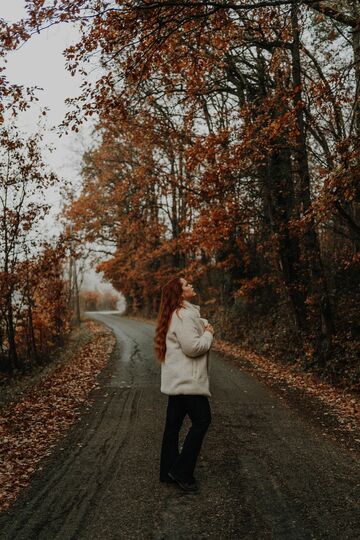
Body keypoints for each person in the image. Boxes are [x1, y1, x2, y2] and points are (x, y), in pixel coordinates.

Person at [154, 276, 214, 492]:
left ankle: (167, 471)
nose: (191, 285)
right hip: (188, 380)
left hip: (177, 380)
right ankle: (181, 471)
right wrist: (208, 335)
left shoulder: (176, 314)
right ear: (180, 294)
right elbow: (193, 347)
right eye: (187, 284)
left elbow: (188, 332)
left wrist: (202, 323)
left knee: (173, 426)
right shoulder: (183, 315)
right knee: (202, 420)